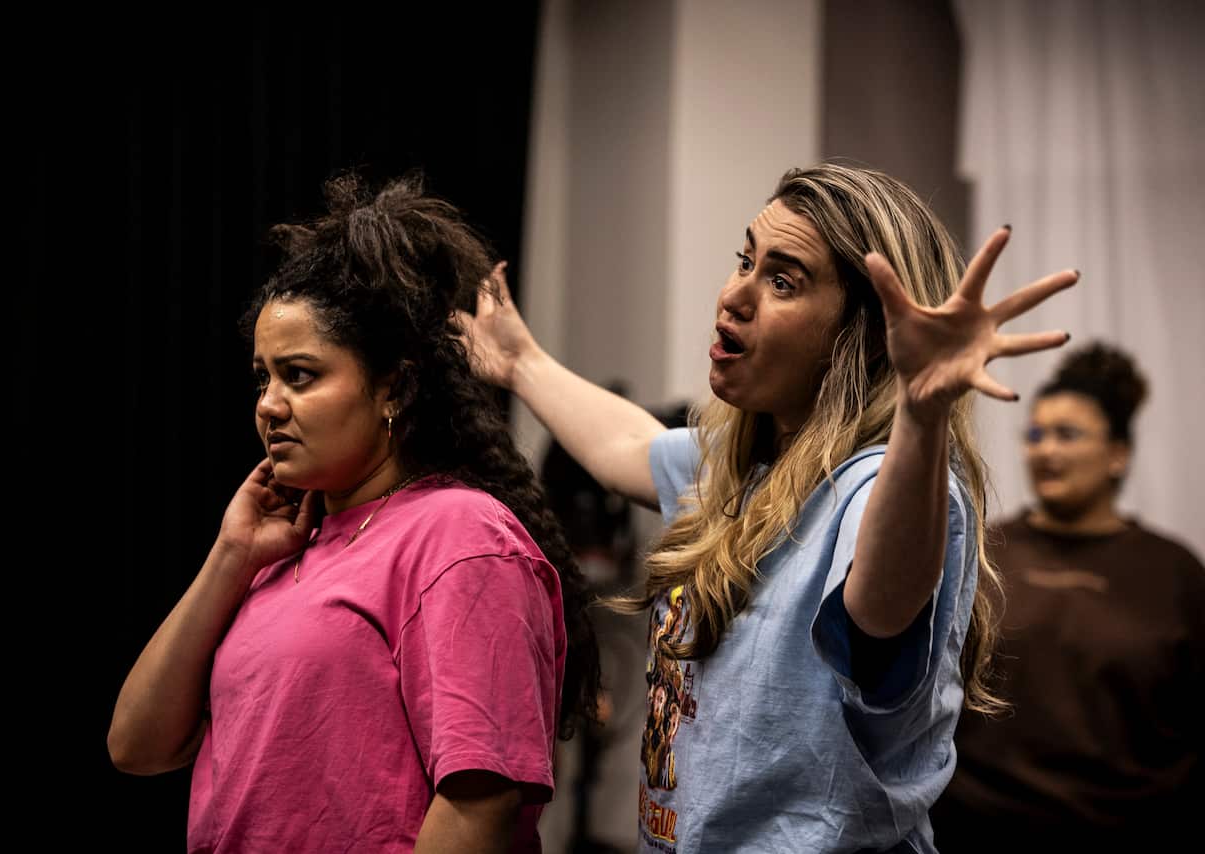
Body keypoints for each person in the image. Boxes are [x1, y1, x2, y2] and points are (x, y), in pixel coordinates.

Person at [458, 162, 1079, 853]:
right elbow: (627, 444)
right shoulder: (741, 470)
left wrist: (920, 413)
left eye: (782, 280)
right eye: (745, 260)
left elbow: (880, 618)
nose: (733, 296)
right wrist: (519, 361)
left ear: (863, 336)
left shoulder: (882, 486)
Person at [107, 173, 600, 853]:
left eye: (300, 375)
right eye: (262, 377)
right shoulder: (284, 550)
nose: (268, 405)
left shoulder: (460, 536)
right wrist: (231, 556)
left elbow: (480, 806)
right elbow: (137, 744)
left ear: (392, 386)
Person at [932, 342, 1205, 851]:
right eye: (1035, 434)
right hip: (974, 828)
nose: (1046, 450)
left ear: (1118, 455)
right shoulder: (983, 552)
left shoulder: (1174, 573)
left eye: (1068, 435)